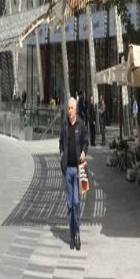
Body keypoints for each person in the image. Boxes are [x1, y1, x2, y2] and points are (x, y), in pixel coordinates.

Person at [59, 96, 89, 250]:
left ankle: (77, 233)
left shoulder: (81, 125)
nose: (69, 111)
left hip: (77, 170)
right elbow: (61, 142)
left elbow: (85, 141)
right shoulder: (65, 125)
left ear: (76, 109)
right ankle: (72, 235)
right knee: (69, 205)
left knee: (76, 202)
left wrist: (84, 151)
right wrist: (62, 155)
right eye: (68, 108)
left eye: (72, 108)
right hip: (67, 170)